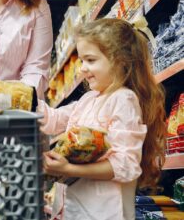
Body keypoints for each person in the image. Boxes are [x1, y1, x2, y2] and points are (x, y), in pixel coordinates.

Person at [40, 18, 166, 220]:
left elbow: (125, 165)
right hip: (75, 209)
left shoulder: (123, 99)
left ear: (120, 61)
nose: (82, 68)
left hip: (105, 212)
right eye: (81, 60)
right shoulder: (88, 100)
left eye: (90, 60)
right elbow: (53, 119)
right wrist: (19, 97)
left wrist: (68, 169)